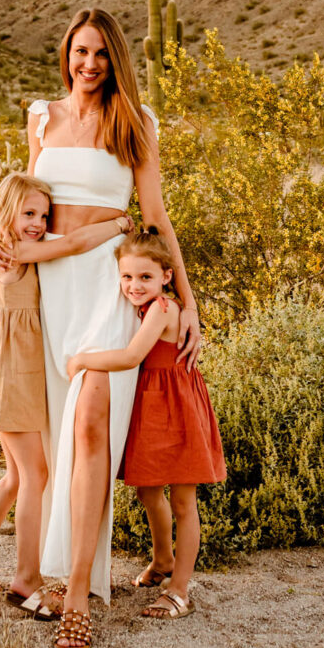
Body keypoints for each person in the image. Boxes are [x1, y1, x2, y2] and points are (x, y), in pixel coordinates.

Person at [0, 7, 201, 648]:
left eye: (102, 53)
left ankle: (78, 596)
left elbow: (155, 216)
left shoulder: (136, 121)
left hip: (109, 287)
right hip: (50, 291)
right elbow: (22, 201)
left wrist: (186, 302)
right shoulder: (41, 118)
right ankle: (54, 575)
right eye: (81, 51)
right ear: (66, 54)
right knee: (58, 440)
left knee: (89, 429)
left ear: (116, 60)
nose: (89, 64)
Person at [0, 172, 132, 621]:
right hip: (13, 370)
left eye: (44, 216)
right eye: (28, 213)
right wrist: (119, 225)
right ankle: (26, 580)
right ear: (5, 211)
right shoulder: (14, 249)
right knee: (37, 474)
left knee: (16, 474)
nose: (38, 223)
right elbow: (73, 244)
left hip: (7, 366)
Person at [67, 227, 226, 622]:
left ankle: (180, 591)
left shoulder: (164, 309)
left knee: (183, 500)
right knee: (147, 491)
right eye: (126, 276)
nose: (134, 285)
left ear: (166, 277)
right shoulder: (142, 307)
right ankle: (162, 559)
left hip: (178, 407)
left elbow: (131, 356)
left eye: (145, 277)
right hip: (154, 406)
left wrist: (81, 361)